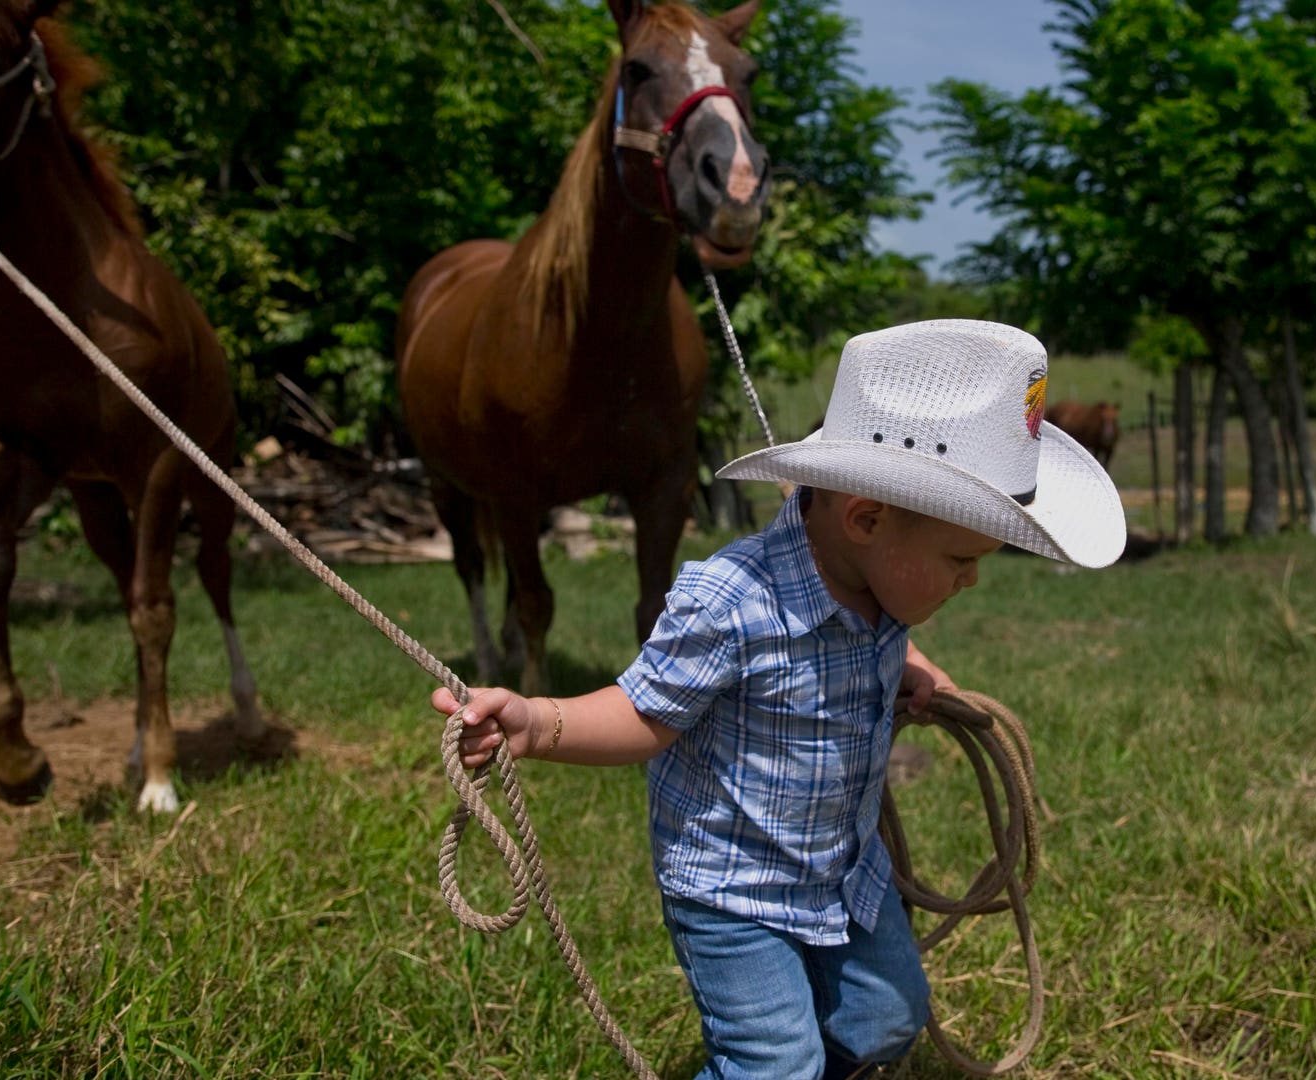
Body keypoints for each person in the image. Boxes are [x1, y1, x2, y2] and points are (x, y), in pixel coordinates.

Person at [432, 319, 1125, 1079]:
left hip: (845, 869)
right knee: (773, 1063)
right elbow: (640, 714)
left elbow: (885, 636)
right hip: (736, 889)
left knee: (889, 1018)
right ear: (866, 518)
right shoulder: (731, 602)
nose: (973, 579)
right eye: (961, 558)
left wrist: (915, 667)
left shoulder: (881, 584)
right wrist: (539, 720)